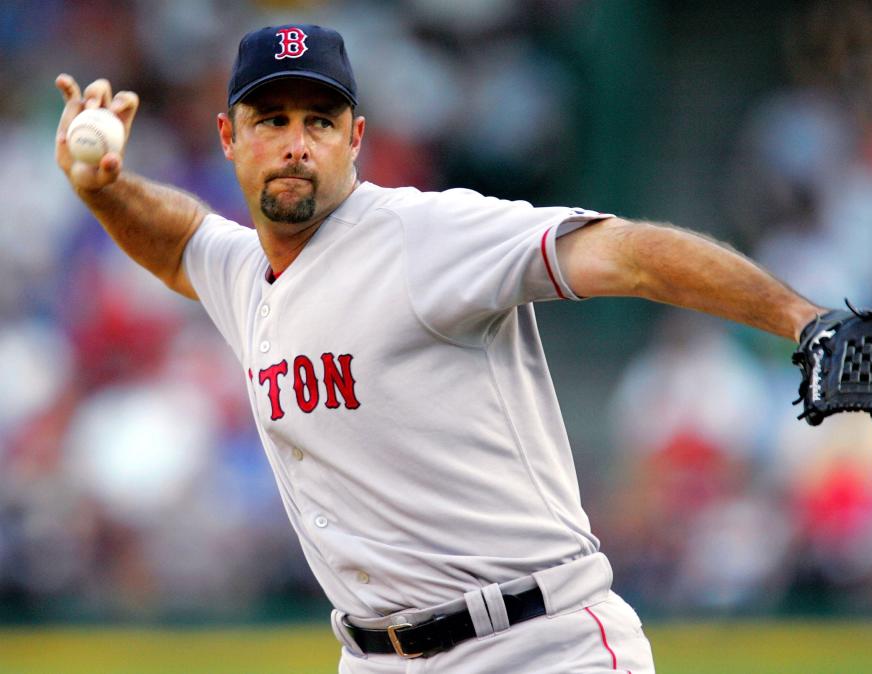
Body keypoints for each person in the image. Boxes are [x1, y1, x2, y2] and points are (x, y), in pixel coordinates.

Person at [55, 24, 823, 674]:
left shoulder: (423, 235)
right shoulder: (243, 274)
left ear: (356, 139)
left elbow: (627, 254)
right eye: (271, 119)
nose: (295, 144)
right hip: (375, 658)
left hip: (537, 645)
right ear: (229, 137)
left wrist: (803, 319)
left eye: (319, 121)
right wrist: (103, 187)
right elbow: (178, 242)